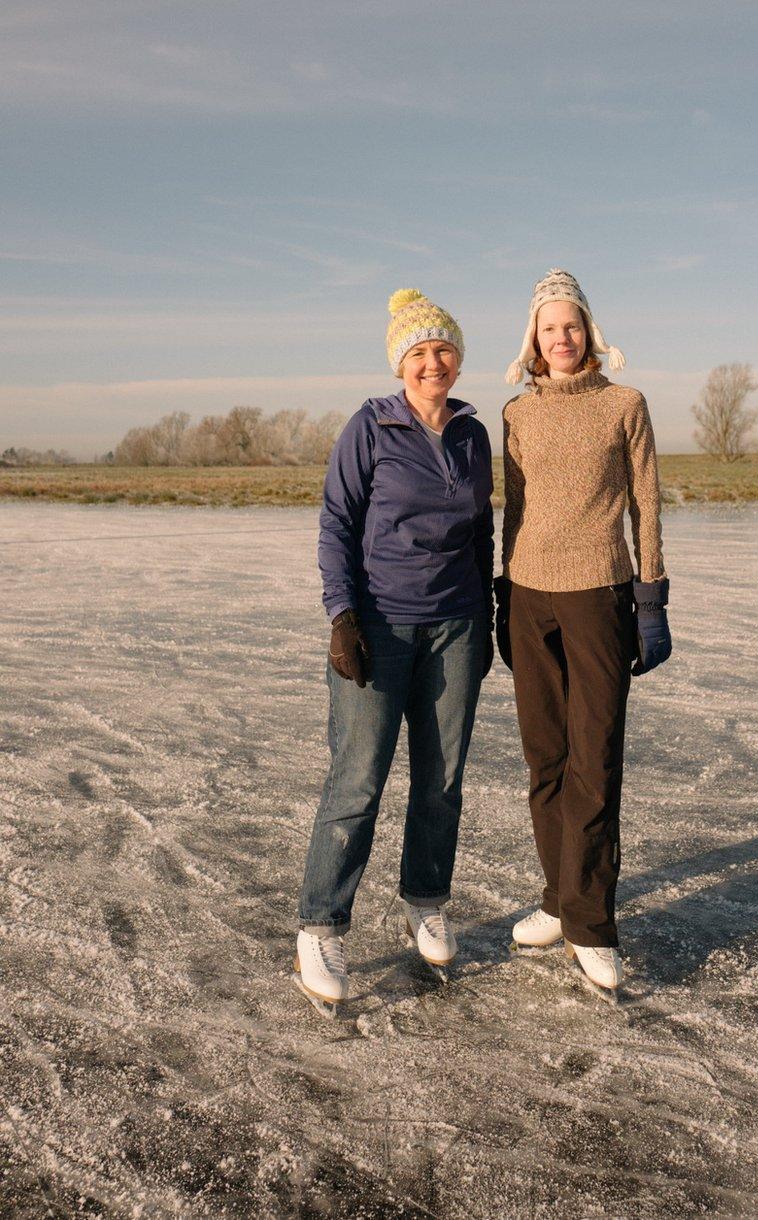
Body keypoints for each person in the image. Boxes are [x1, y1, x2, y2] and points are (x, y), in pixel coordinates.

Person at [295, 289, 494, 1014]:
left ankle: (425, 899)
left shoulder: (473, 435)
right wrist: (342, 615)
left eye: (443, 350)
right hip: (379, 627)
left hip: (458, 626)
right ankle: (322, 923)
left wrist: (489, 611)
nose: (432, 362)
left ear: (458, 357)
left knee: (442, 781)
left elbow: (480, 533)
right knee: (359, 781)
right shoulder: (370, 427)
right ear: (400, 364)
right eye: (419, 352)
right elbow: (336, 523)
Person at [495, 268, 671, 996]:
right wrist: (502, 595)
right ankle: (558, 900)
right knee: (546, 760)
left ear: (588, 332)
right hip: (530, 595)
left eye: (570, 325)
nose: (559, 338)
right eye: (547, 327)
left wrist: (652, 598)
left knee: (594, 763)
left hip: (599, 596)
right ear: (532, 338)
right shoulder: (516, 414)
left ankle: (591, 927)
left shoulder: (624, 405)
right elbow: (512, 510)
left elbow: (647, 504)